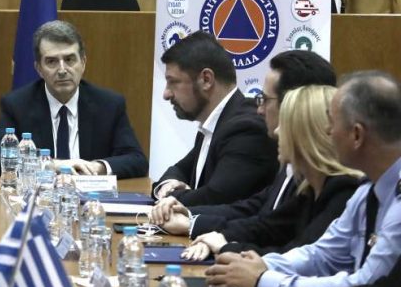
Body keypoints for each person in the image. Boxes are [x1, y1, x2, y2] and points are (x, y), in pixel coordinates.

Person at [206, 71, 401, 287]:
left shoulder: (389, 202)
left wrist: (261, 281)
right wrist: (262, 265)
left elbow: (368, 286)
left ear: (356, 135)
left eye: (332, 123)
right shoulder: (367, 191)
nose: (327, 132)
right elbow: (323, 254)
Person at [150, 50, 337, 236]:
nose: (259, 110)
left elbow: (224, 200)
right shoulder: (293, 167)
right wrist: (187, 214)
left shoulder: (247, 128)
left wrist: (189, 220)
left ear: (297, 105)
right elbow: (255, 209)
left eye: (264, 100)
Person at [178, 86, 362, 260]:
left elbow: (302, 257)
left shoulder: (344, 191)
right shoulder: (308, 187)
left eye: (286, 124)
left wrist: (226, 247)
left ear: (307, 134)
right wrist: (214, 236)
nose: (277, 130)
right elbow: (268, 227)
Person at [0, 20, 146, 178]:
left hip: (92, 191)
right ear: (39, 69)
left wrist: (97, 167)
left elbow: (136, 159)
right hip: (43, 192)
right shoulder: (17, 105)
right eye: (52, 62)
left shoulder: (109, 105)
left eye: (69, 59)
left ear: (83, 63)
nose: (62, 70)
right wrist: (53, 165)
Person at [153, 31, 278, 205]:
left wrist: (170, 197)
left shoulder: (246, 129)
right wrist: (169, 185)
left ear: (206, 79)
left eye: (173, 82)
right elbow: (179, 169)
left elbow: (215, 198)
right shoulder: (214, 124)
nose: (166, 94)